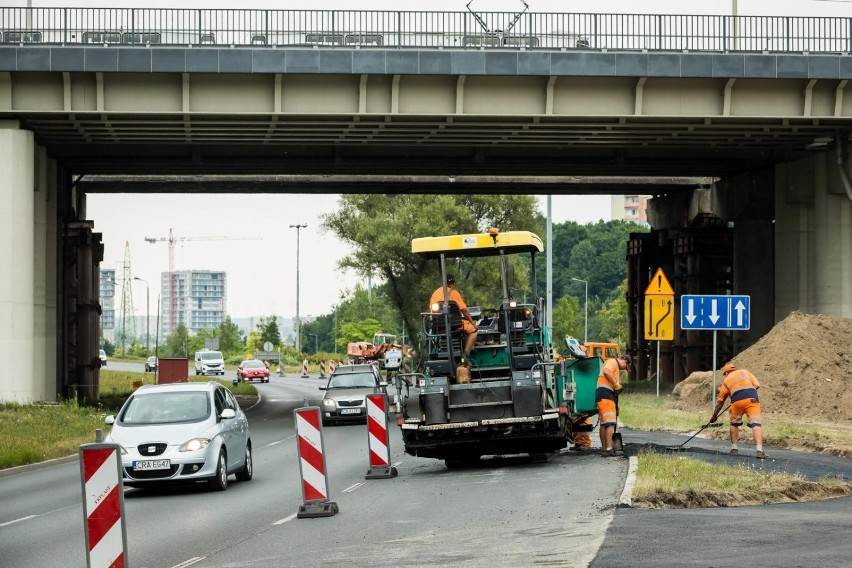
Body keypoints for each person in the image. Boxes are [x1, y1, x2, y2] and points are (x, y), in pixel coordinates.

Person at [710, 362, 767, 459]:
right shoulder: (746, 372)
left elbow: (720, 402)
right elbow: (757, 385)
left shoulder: (726, 381)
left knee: (734, 423)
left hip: (737, 402)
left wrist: (714, 415)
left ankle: (734, 448)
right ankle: (759, 450)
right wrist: (748, 393)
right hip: (752, 400)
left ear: (726, 373)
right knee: (756, 424)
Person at [430, 273, 478, 360]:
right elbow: (464, 310)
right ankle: (466, 354)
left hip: (439, 327)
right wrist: (472, 322)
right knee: (474, 331)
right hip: (454, 325)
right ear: (452, 284)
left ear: (442, 283)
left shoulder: (434, 294)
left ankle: (443, 350)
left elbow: (432, 313)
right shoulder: (453, 292)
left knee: (441, 335)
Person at [595, 354, 631, 456]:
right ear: (623, 360)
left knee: (604, 423)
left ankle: (604, 448)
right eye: (625, 366)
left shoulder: (613, 365)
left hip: (604, 395)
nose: (624, 369)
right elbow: (606, 371)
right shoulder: (612, 362)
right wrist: (616, 384)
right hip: (606, 395)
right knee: (610, 423)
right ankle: (609, 448)